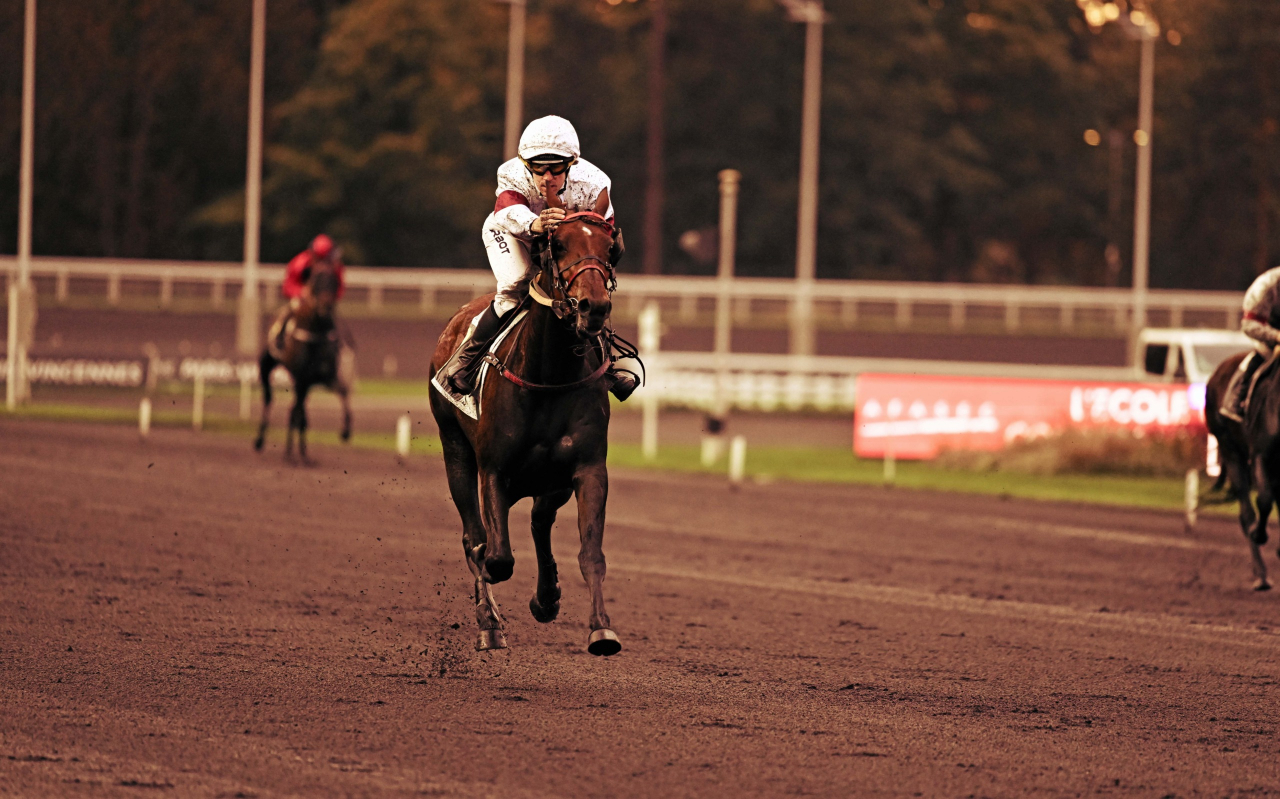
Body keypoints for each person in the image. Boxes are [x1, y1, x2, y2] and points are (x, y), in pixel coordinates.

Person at [440, 115, 637, 400]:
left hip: (564, 242)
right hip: (512, 233)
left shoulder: (595, 183)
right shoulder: (510, 173)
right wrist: (536, 223)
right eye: (537, 167)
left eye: (555, 167)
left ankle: (607, 369)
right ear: (525, 163)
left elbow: (602, 234)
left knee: (587, 293)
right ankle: (465, 361)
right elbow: (507, 212)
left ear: (571, 163)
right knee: (517, 285)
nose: (546, 177)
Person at [1220, 264, 1280, 422]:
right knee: (1262, 355)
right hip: (1269, 338)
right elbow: (1249, 324)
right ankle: (1238, 395)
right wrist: (1276, 336)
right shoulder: (1266, 286)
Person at [269, 234, 346, 352]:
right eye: (320, 259)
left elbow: (339, 288)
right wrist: (301, 293)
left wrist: (330, 298)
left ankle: (340, 346)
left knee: (333, 318)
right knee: (289, 311)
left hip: (324, 302)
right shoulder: (300, 263)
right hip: (302, 299)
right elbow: (287, 286)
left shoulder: (335, 266)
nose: (323, 264)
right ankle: (278, 337)